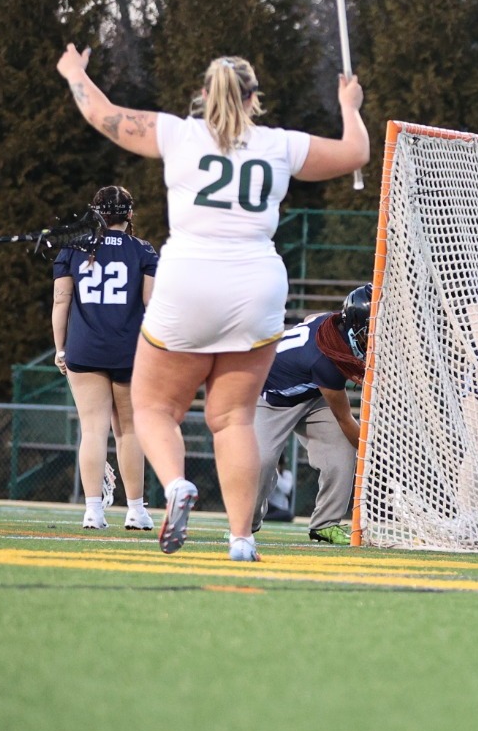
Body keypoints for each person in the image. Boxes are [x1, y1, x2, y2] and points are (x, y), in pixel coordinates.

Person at [57, 45, 368, 561]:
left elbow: (101, 113)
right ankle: (242, 538)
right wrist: (350, 104)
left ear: (203, 94)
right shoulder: (278, 144)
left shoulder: (180, 133)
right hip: (256, 286)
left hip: (189, 279)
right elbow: (355, 152)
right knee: (234, 420)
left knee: (155, 409)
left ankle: (176, 484)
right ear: (254, 99)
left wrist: (75, 72)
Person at [51, 186, 158, 530]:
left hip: (85, 349)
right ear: (129, 214)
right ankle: (136, 510)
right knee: (129, 431)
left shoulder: (72, 249)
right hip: (129, 350)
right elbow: (151, 307)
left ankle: (93, 510)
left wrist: (60, 348)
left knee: (93, 431)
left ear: (96, 213)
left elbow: (60, 304)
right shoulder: (143, 250)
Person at [253, 284, 369, 543]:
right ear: (355, 325)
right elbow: (344, 418)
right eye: (370, 330)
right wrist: (372, 456)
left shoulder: (334, 324)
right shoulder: (325, 361)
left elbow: (311, 319)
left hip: (309, 393)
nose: (374, 337)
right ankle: (245, 524)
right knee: (259, 461)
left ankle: (325, 524)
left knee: (340, 453)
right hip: (267, 396)